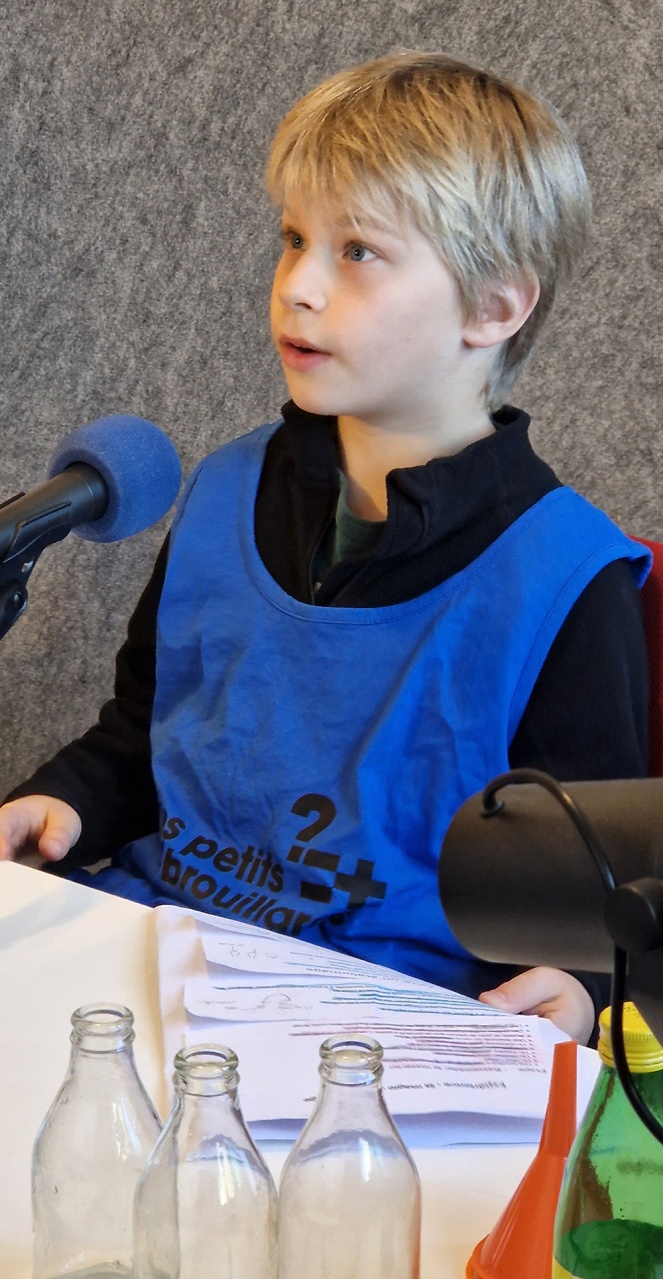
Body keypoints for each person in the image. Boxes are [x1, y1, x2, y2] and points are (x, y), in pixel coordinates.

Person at [0, 51, 650, 1045]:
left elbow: (596, 902)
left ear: (493, 306)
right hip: (154, 964)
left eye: (357, 252)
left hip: (380, 1030)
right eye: (294, 238)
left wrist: (578, 987)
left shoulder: (568, 579)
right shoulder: (224, 487)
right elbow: (142, 736)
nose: (297, 285)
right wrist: (64, 800)